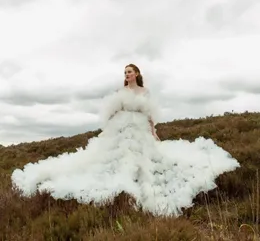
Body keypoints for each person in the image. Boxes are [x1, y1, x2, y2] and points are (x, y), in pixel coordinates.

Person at [11, 64, 240, 217]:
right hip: (122, 130)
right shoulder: (121, 93)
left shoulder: (144, 91)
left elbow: (150, 114)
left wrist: (154, 131)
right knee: (118, 160)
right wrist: (110, 129)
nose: (126, 75)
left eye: (129, 72)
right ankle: (124, 192)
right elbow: (112, 112)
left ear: (137, 74)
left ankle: (141, 189)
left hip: (140, 129)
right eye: (125, 72)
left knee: (147, 160)